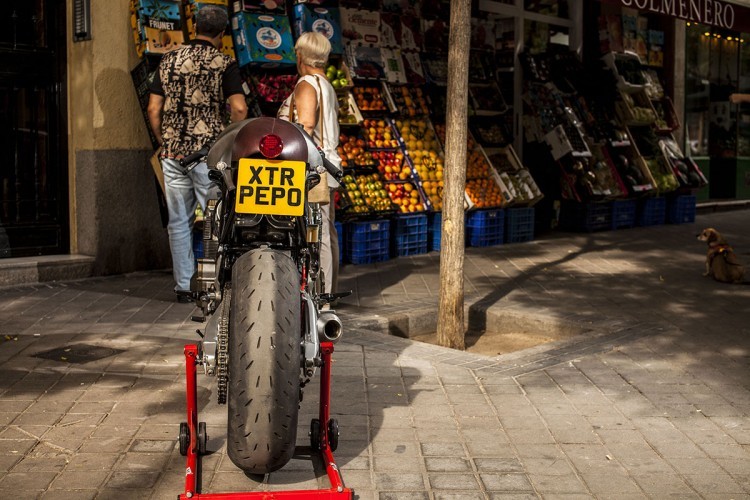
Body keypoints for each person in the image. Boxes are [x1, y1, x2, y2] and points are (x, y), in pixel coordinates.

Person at [147, 5, 248, 302]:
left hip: (172, 154)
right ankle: (215, 282)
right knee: (217, 218)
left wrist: (165, 140)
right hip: (209, 153)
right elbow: (240, 108)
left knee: (178, 221)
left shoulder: (168, 60)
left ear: (194, 27)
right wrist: (228, 141)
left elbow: (154, 109)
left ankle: (183, 286)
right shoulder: (223, 63)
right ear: (222, 33)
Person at [279, 32, 341, 297]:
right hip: (329, 166)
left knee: (317, 233)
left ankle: (320, 294)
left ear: (300, 56)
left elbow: (304, 127)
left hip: (312, 170)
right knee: (326, 233)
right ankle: (327, 291)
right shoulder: (326, 84)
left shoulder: (306, 83)